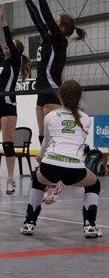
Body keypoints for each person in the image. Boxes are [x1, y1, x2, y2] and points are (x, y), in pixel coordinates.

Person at [21, 0, 87, 203]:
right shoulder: (49, 38)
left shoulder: (60, 41)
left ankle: (56, 182)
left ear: (62, 29)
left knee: (51, 138)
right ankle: (51, 179)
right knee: (42, 136)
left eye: (57, 23)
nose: (52, 24)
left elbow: (46, 15)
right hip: (41, 91)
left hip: (51, 90)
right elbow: (39, 20)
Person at [20, 80, 102, 238]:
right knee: (94, 183)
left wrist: (40, 157)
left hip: (50, 166)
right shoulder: (86, 118)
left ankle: (29, 223)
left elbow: (46, 143)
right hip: (75, 170)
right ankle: (90, 226)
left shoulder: (50, 116)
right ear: (79, 98)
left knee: (38, 178)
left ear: (60, 97)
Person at [0, 6, 31, 195]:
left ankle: (11, 180)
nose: (5, 46)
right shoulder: (0, 59)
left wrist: (4, 22)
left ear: (16, 50)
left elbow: (7, 40)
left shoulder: (15, 61)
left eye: (10, 45)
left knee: (8, 144)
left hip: (8, 103)